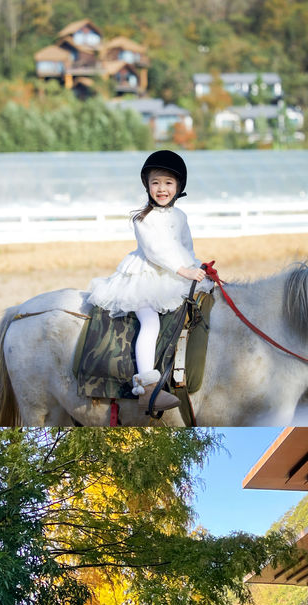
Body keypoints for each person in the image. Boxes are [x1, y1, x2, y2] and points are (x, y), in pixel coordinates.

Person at [88, 150, 211, 410]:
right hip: (144, 278)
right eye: (155, 182)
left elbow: (184, 247)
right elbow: (157, 252)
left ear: (178, 187)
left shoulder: (180, 217)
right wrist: (184, 271)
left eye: (168, 183)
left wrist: (196, 266)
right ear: (147, 186)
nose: (161, 189)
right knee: (150, 322)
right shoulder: (142, 218)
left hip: (174, 275)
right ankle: (147, 387)